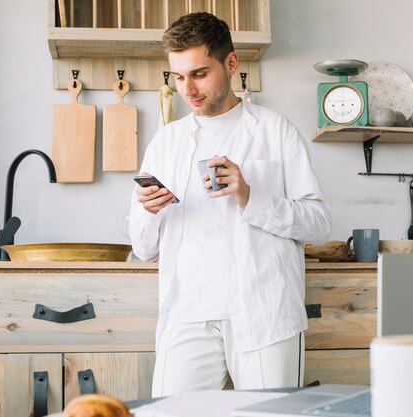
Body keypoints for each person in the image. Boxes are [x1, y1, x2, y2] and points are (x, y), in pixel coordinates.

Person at [129, 11, 331, 397]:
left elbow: (319, 224)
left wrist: (250, 196)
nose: (188, 89)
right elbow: (143, 248)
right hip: (188, 313)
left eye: (200, 73)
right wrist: (148, 210)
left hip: (265, 310)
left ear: (231, 63)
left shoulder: (276, 130)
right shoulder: (165, 143)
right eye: (178, 77)